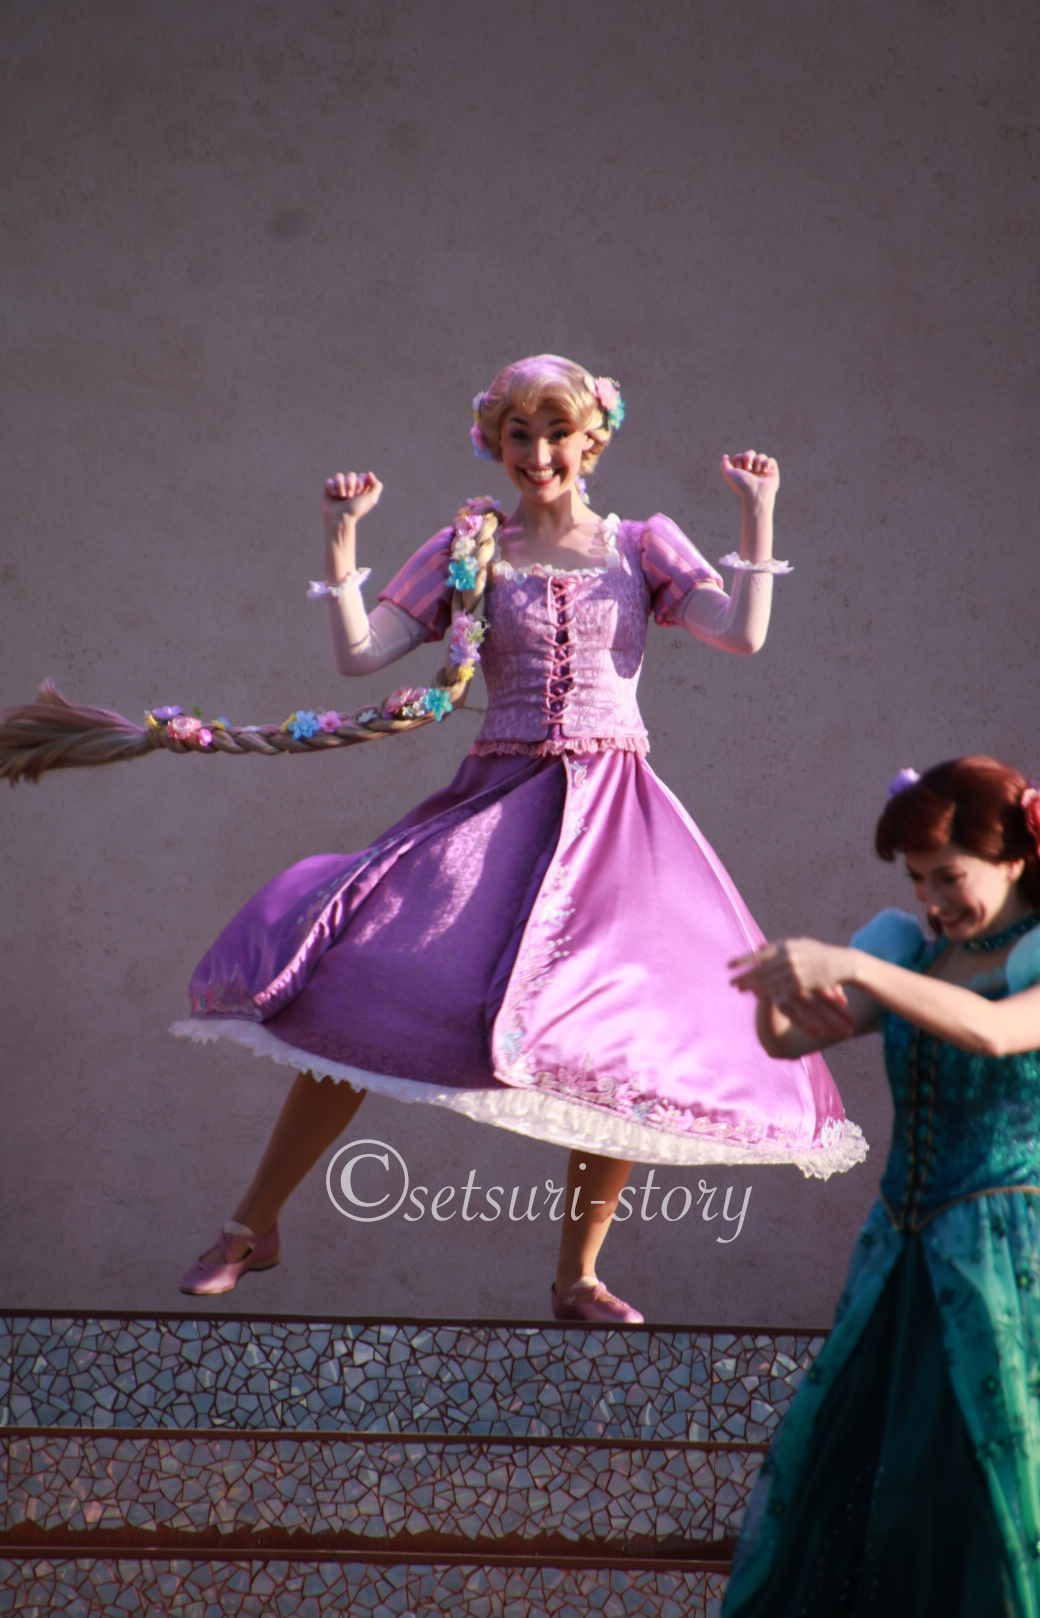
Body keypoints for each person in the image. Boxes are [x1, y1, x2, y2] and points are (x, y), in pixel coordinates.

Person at [172, 353, 865, 1321]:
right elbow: (361, 655)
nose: (539, 455)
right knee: (356, 981)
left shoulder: (643, 546)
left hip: (617, 821)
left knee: (622, 1033)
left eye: (557, 435)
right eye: (519, 436)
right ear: (494, 444)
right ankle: (254, 1224)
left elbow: (740, 634)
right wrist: (340, 540)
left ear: (592, 440)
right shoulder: (470, 548)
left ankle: (577, 1276)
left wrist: (759, 515)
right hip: (495, 811)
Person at [724, 756, 1040, 1616]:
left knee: (969, 1482)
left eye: (949, 877)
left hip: (997, 1259)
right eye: (919, 880)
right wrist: (774, 990)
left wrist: (859, 965)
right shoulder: (920, 955)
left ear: (1016, 859)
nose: (932, 900)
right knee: (860, 1468)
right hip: (896, 1254)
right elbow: (791, 1040)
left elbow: (994, 1032)